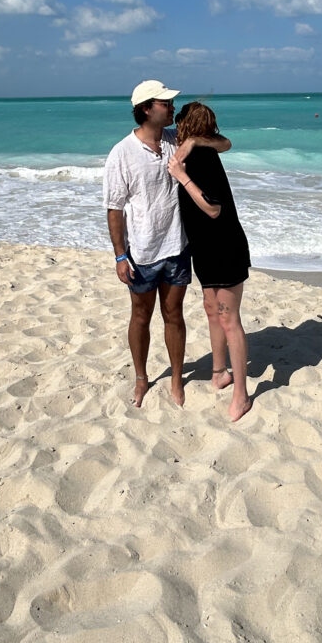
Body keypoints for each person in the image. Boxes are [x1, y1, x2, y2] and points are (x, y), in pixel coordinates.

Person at [103, 81, 231, 408]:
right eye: (166, 103)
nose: (173, 107)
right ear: (147, 108)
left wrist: (191, 145)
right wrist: (120, 255)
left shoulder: (177, 140)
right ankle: (142, 378)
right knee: (140, 316)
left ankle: (176, 378)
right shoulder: (122, 152)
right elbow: (114, 208)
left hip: (177, 246)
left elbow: (225, 143)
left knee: (173, 314)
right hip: (142, 251)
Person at [168, 102, 252, 422]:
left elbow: (213, 208)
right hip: (204, 249)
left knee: (229, 318)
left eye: (180, 126)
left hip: (225, 247)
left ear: (187, 127)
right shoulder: (198, 149)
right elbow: (224, 141)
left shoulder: (200, 157)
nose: (176, 131)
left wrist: (181, 175)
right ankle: (219, 372)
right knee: (211, 310)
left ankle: (241, 396)